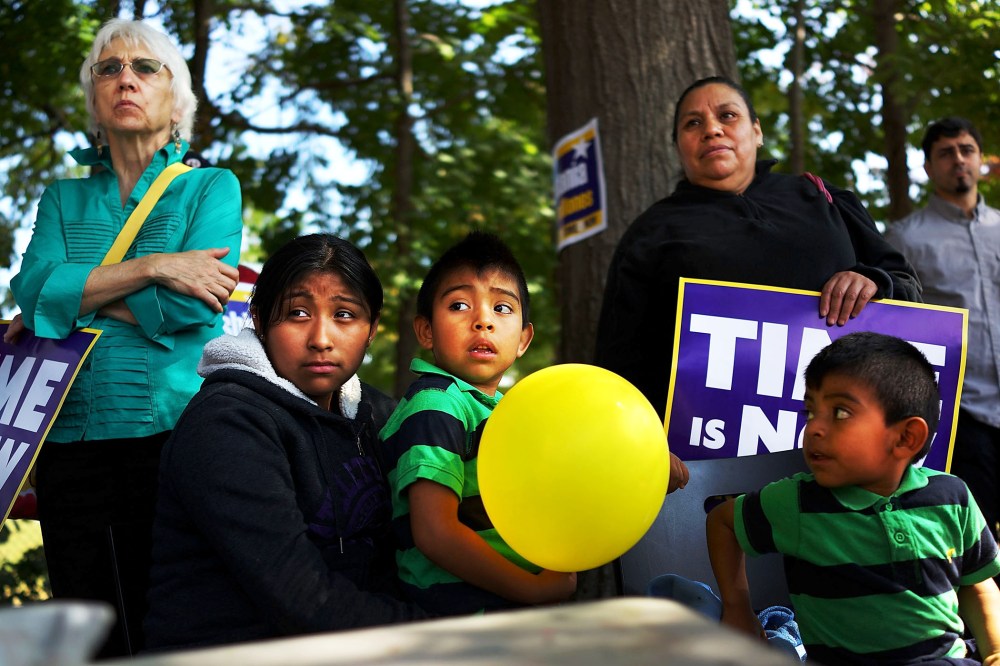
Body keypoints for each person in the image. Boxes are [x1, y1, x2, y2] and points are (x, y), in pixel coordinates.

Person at [5, 19, 242, 658]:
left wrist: (75, 297)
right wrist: (158, 266)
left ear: (177, 98)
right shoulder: (61, 198)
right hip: (67, 439)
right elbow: (30, 292)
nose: (125, 78)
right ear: (94, 100)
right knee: (87, 631)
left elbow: (197, 310)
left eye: (145, 67)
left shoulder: (210, 187)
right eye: (108, 69)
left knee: (170, 621)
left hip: (171, 434)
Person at [144, 234, 430, 651]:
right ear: (258, 320)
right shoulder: (226, 423)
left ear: (372, 330)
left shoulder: (379, 416)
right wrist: (440, 632)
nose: (321, 339)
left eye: (345, 315)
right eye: (297, 313)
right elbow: (300, 596)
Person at [594, 75, 922, 428]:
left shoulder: (821, 198)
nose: (712, 130)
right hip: (709, 460)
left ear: (757, 132)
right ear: (678, 146)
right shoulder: (650, 233)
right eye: (693, 123)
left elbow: (907, 287)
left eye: (728, 116)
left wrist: (873, 280)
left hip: (844, 436)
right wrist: (650, 443)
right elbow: (619, 364)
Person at [707, 332, 1000, 665]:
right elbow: (722, 522)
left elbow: (977, 585)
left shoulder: (953, 496)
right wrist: (737, 607)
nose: (814, 428)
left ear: (906, 437)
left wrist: (994, 651)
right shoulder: (798, 502)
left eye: (841, 413)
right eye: (810, 412)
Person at [380, 231, 577, 616]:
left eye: (502, 308)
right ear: (426, 331)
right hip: (461, 616)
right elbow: (435, 532)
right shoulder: (436, 402)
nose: (483, 320)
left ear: (523, 339)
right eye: (459, 305)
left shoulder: (509, 412)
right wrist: (532, 589)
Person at [884, 117, 1000, 547]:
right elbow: (895, 326)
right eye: (946, 153)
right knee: (974, 539)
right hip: (960, 409)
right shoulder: (904, 238)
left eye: (966, 150)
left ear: (980, 160)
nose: (958, 160)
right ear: (929, 167)